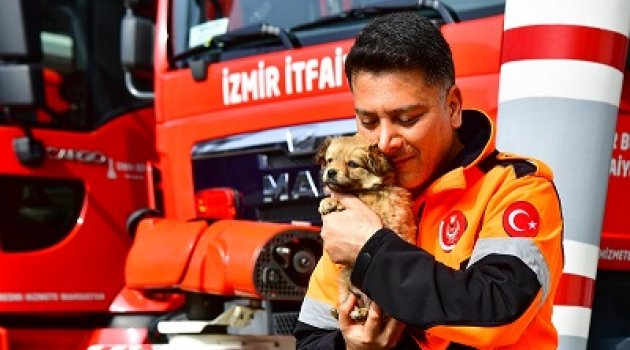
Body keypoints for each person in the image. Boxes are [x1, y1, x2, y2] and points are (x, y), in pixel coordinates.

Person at [294, 11, 564, 350]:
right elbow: (311, 338)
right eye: (368, 121)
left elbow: (498, 310)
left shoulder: (517, 187)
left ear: (452, 107)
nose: (383, 141)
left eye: (406, 119)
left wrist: (371, 253)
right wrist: (353, 347)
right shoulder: (360, 206)